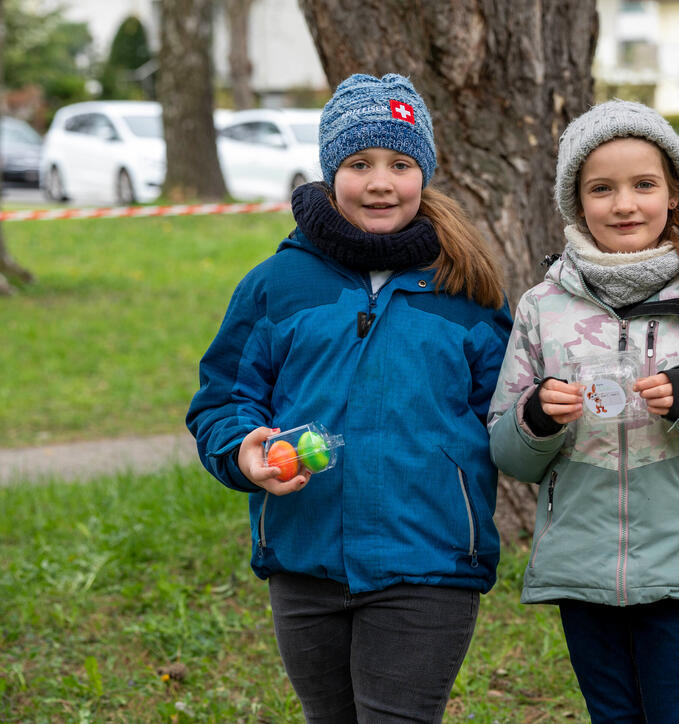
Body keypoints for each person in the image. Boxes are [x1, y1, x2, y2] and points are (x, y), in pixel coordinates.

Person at [186, 73, 512, 723]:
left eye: (400, 163)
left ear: (425, 171)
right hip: (303, 561)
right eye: (359, 163)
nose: (381, 182)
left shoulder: (467, 290)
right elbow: (222, 401)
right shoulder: (278, 284)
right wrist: (245, 451)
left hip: (429, 562)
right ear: (332, 170)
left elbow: (506, 419)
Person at [486, 100, 679, 724]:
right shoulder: (543, 307)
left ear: (674, 193)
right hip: (582, 565)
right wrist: (539, 418)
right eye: (602, 188)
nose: (624, 204)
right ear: (577, 202)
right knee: (612, 716)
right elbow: (506, 450)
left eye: (643, 185)